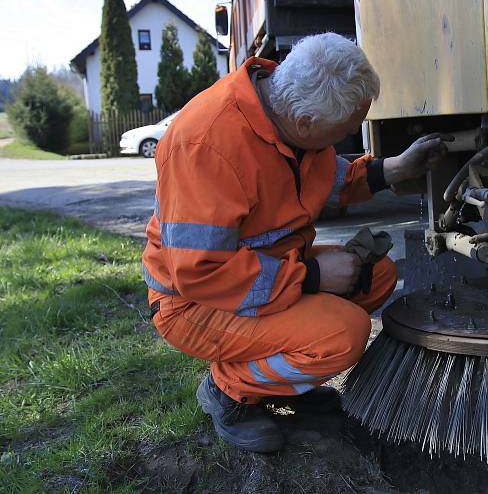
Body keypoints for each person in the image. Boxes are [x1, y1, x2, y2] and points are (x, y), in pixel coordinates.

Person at [141, 33, 450, 453]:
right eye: (341, 131)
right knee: (344, 334)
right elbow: (200, 273)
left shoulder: (285, 114)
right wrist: (313, 277)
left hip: (264, 269)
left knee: (376, 275)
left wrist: (393, 169)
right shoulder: (206, 143)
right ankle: (228, 391)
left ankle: (282, 383)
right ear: (305, 123)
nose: (342, 140)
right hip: (194, 303)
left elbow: (326, 178)